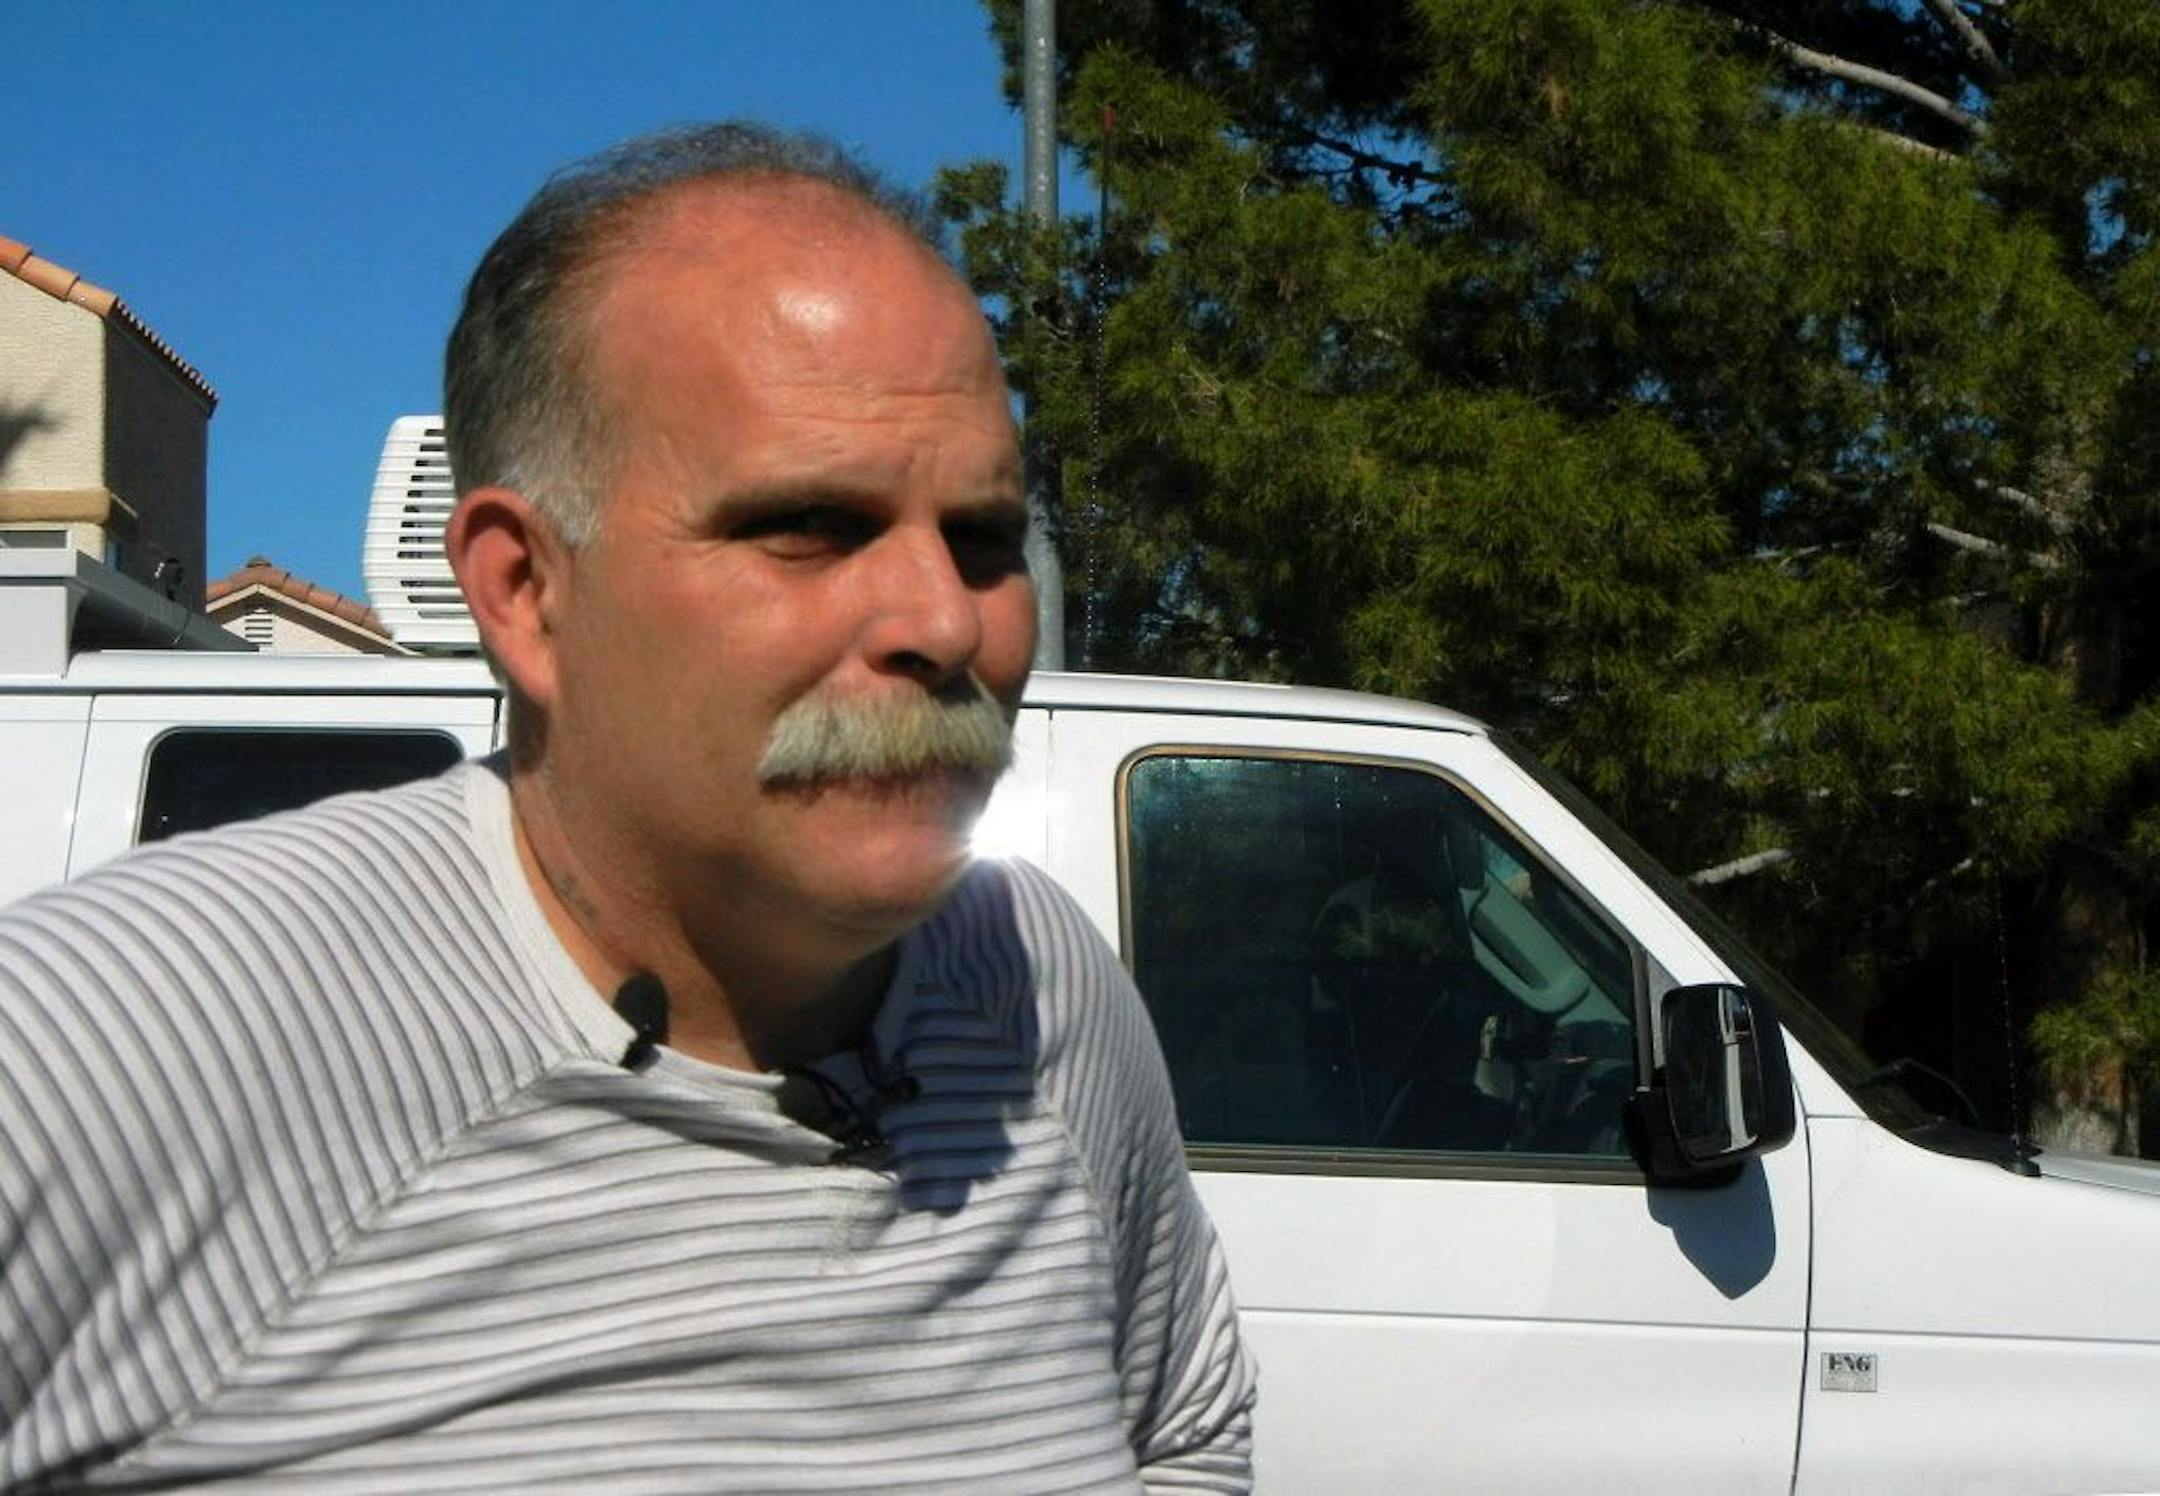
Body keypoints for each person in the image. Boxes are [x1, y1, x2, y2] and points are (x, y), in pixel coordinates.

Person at [0, 122, 1255, 1490]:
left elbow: (1184, 1430)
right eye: (810, 528)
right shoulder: (105, 1043)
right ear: (528, 593)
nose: (946, 622)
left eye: (985, 539)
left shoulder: (1041, 990)